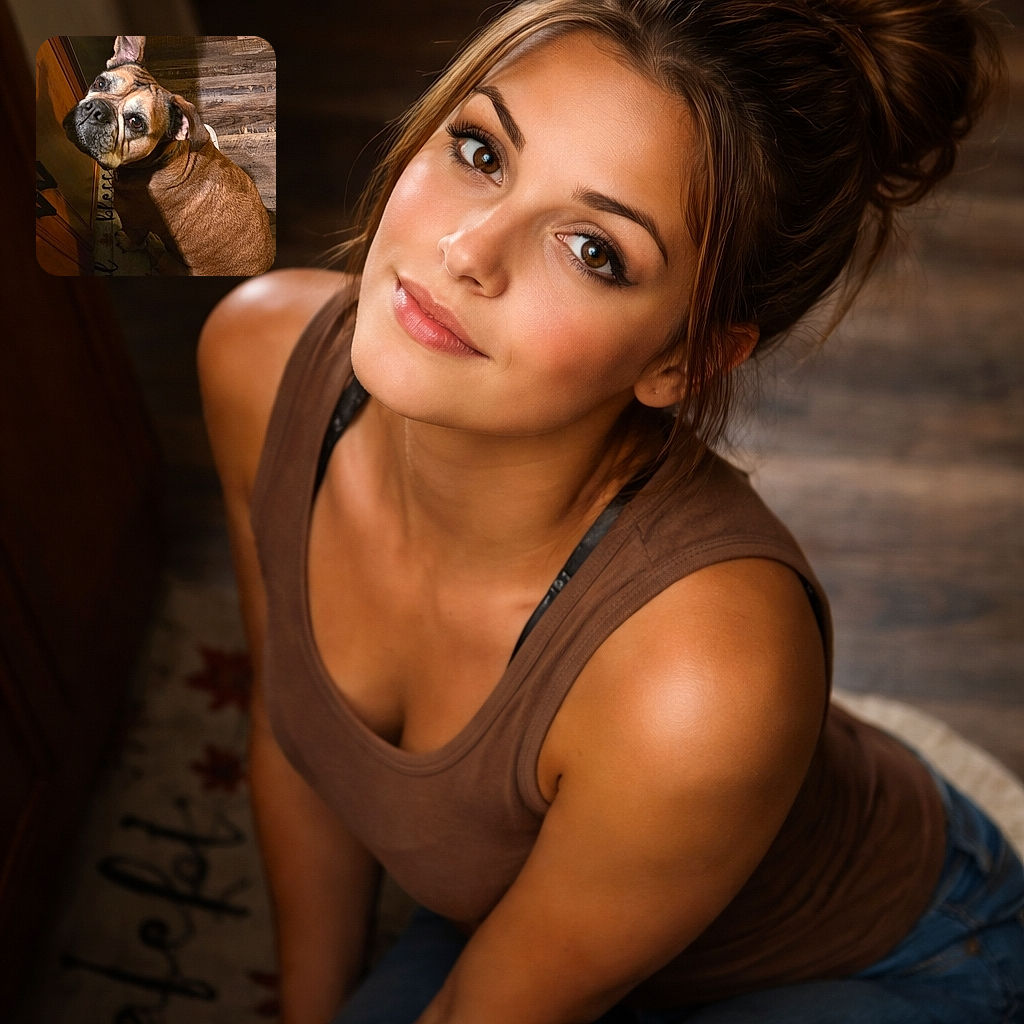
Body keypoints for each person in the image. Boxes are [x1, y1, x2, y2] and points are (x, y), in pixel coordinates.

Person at [198, 0, 1023, 1021]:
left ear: (684, 359)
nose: (467, 248)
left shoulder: (705, 676)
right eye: (481, 151)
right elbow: (296, 740)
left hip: (897, 964)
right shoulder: (259, 360)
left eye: (592, 249)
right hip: (551, 896)